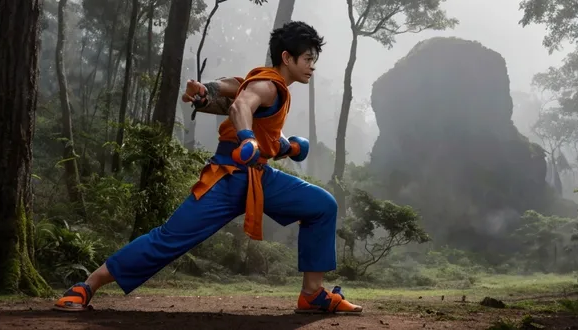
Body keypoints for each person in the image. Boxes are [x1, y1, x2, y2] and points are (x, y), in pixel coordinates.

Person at [53, 21, 363, 315]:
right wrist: (246, 138)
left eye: (314, 58)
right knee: (169, 238)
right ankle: (86, 286)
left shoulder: (269, 84)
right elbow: (242, 106)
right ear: (287, 57)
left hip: (259, 177)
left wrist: (209, 92)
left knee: (321, 205)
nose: (313, 65)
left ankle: (312, 295)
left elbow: (236, 90)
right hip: (228, 177)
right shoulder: (270, 85)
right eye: (308, 58)